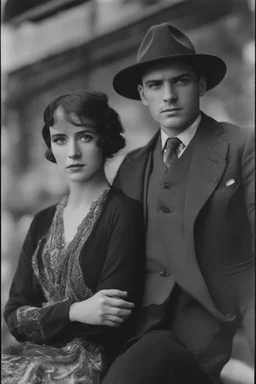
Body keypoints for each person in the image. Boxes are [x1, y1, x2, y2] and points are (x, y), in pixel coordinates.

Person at [102, 23, 255, 384]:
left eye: (180, 82)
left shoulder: (241, 146)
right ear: (142, 95)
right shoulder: (131, 167)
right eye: (155, 85)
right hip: (137, 329)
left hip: (210, 329)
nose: (168, 95)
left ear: (201, 85)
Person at [2, 90, 145, 384]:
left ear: (104, 140)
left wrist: (43, 316)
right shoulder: (42, 221)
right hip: (33, 354)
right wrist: (77, 311)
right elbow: (15, 318)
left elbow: (110, 317)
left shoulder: (124, 212)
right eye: (60, 139)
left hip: (93, 362)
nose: (72, 152)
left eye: (85, 137)